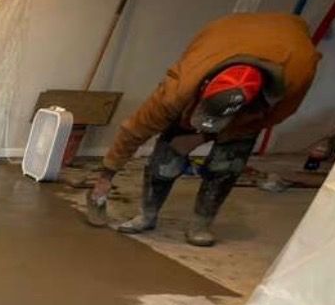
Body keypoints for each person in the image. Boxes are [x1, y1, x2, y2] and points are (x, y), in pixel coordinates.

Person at [86, 13, 320, 246]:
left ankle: (201, 223)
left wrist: (207, 135)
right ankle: (147, 215)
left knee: (226, 164)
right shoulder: (179, 89)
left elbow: (275, 117)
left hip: (277, 66)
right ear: (204, 89)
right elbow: (134, 130)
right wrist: (106, 175)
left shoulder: (296, 76)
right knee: (166, 161)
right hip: (223, 38)